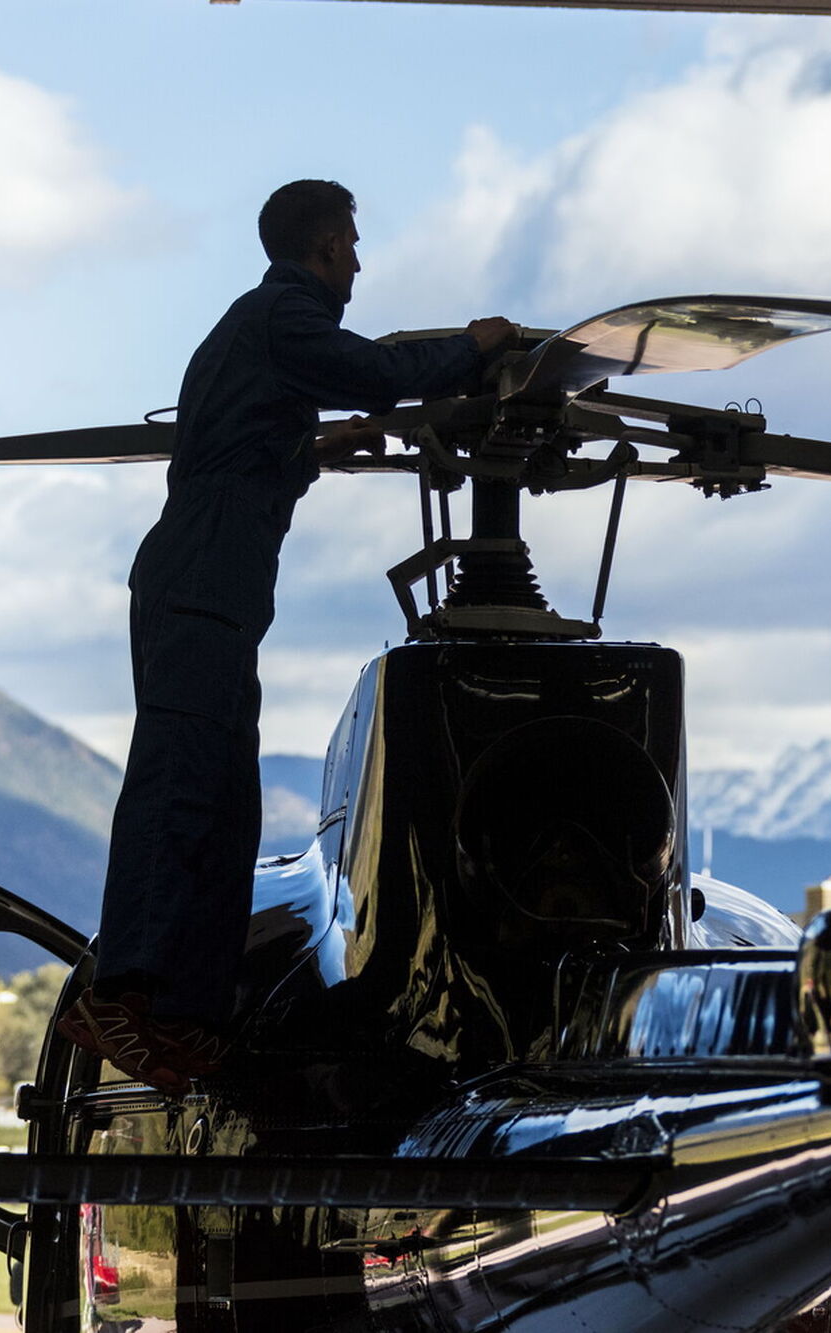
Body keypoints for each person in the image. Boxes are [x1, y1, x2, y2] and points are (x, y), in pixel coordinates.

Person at [57, 180, 514, 1094]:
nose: (359, 262)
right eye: (351, 243)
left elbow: (242, 447)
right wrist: (474, 349)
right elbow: (374, 374)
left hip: (216, 593)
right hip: (201, 587)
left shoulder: (258, 334)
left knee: (227, 803)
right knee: (181, 780)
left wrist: (316, 451)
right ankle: (121, 996)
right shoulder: (285, 317)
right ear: (324, 244)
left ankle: (185, 1012)